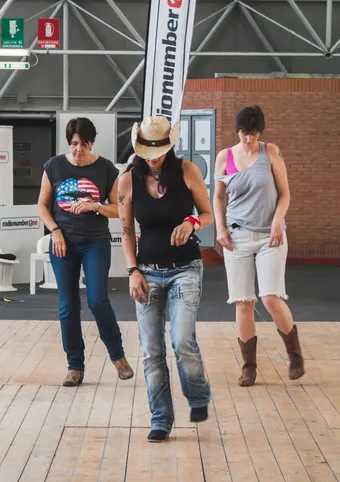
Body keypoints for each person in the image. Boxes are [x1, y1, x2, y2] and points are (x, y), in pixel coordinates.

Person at [118, 116, 212, 443]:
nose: (153, 157)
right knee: (150, 350)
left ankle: (197, 394)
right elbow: (127, 230)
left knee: (183, 340)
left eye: (158, 150)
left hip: (186, 267)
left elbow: (207, 213)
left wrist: (191, 223)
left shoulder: (187, 171)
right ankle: (160, 418)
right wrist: (132, 271)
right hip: (146, 271)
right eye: (147, 151)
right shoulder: (128, 180)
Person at [37, 117, 134, 387]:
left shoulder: (105, 169)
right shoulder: (54, 166)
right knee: (68, 306)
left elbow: (119, 209)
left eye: (84, 144)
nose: (78, 150)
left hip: (95, 242)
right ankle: (75, 366)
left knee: (97, 300)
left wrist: (95, 206)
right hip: (62, 243)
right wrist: (55, 230)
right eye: (74, 144)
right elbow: (42, 206)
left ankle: (118, 356)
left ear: (92, 143)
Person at [214, 105, 304, 387]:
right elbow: (218, 197)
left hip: (270, 236)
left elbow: (285, 193)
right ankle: (249, 367)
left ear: (260, 132)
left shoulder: (271, 152)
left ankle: (295, 354)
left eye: (253, 134)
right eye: (244, 134)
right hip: (237, 236)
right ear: (237, 131)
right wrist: (220, 227)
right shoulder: (224, 157)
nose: (249, 140)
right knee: (243, 303)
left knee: (270, 298)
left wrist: (278, 221)